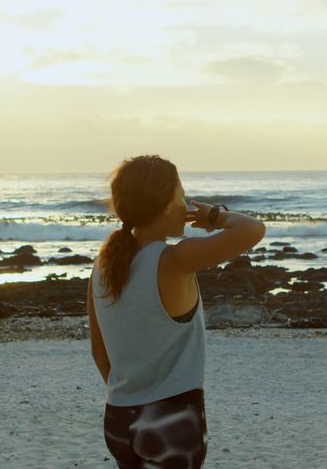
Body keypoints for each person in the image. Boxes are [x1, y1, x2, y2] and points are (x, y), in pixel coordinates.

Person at [87, 154, 266, 468]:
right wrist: (214, 216)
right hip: (170, 419)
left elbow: (100, 353)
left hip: (118, 418)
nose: (186, 206)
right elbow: (252, 229)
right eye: (182, 197)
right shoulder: (174, 260)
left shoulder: (102, 268)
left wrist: (132, 398)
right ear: (165, 204)